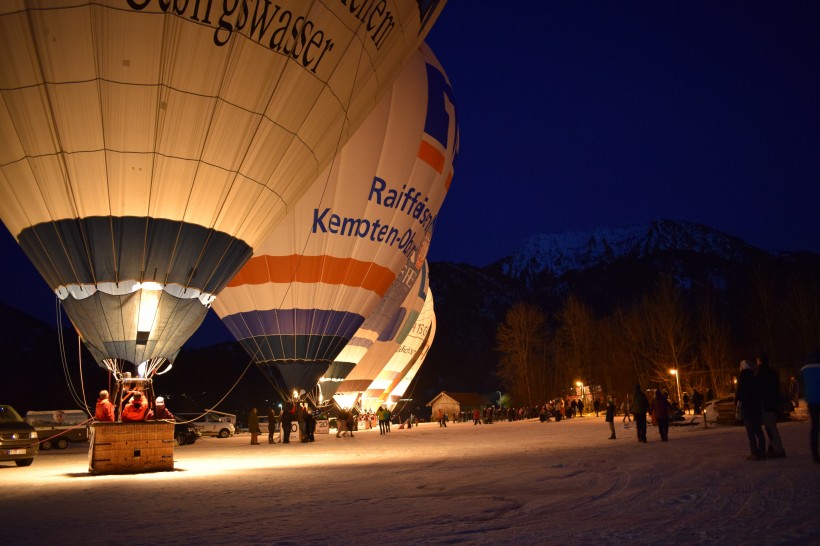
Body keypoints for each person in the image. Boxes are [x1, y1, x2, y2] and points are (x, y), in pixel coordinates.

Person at [755, 352, 785, 458]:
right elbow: (776, 389)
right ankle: (772, 447)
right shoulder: (772, 373)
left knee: (771, 427)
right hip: (772, 403)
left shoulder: (760, 373)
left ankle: (779, 449)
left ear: (760, 360)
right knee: (769, 426)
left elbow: (759, 390)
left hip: (765, 403)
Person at [736, 359, 766, 460]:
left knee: (751, 432)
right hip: (756, 408)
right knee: (758, 430)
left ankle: (754, 453)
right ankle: (762, 451)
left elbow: (739, 395)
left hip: (747, 409)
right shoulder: (755, 376)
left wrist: (737, 403)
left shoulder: (742, 378)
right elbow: (760, 392)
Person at [800, 351, 820, 464]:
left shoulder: (804, 370)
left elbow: (803, 385)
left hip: (812, 401)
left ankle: (815, 454)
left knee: (815, 427)